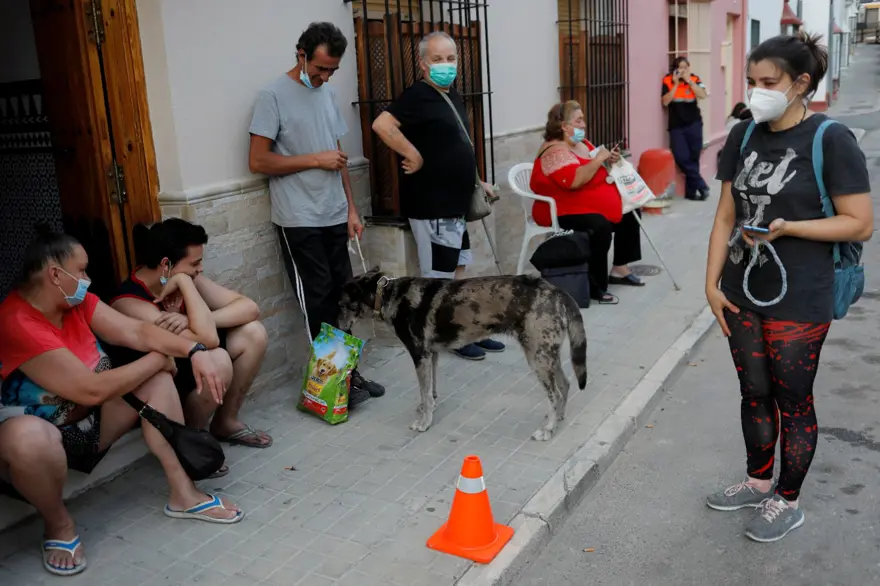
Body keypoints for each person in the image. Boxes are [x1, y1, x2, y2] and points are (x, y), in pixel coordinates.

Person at [706, 31, 872, 543]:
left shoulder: (831, 139)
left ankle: (788, 498)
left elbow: (859, 223)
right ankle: (758, 481)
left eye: (768, 82)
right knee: (753, 391)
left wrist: (789, 227)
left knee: (792, 397)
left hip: (801, 294)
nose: (756, 91)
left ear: (800, 84)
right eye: (751, 81)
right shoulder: (745, 135)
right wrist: (710, 284)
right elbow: (726, 214)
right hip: (741, 288)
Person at [0, 228, 242, 578]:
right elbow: (89, 391)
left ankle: (184, 494)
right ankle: (59, 525)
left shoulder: (77, 301)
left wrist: (194, 351)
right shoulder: (17, 320)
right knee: (30, 438)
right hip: (36, 442)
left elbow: (136, 332)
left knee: (157, 382)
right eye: (81, 271)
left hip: (89, 427)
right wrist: (158, 359)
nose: (87, 279)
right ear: (55, 275)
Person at [248, 22, 384, 404]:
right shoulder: (272, 96)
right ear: (301, 54)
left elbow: (337, 157)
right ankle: (331, 387)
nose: (324, 77)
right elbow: (258, 161)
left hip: (333, 213)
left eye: (331, 71)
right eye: (319, 68)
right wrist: (314, 160)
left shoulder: (325, 93)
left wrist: (352, 208)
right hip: (299, 217)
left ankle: (348, 377)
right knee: (318, 301)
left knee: (343, 298)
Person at [371, 31, 505, 361]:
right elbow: (382, 125)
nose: (445, 65)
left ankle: (466, 328)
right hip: (432, 205)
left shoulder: (451, 95)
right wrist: (412, 154)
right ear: (422, 64)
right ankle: (447, 337)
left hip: (455, 205)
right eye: (437, 59)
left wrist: (479, 182)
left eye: (450, 58)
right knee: (438, 279)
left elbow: (457, 145)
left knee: (458, 271)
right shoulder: (417, 95)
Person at [108, 219, 272, 452]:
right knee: (218, 359)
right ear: (166, 265)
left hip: (190, 366)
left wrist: (190, 317)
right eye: (194, 263)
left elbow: (249, 308)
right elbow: (208, 340)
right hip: (162, 380)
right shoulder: (130, 302)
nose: (200, 269)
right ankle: (193, 441)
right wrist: (185, 283)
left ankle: (224, 422)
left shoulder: (189, 277)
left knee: (253, 332)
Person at [529, 101, 645, 305]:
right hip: (559, 209)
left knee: (629, 213)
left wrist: (609, 159)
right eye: (578, 120)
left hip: (580, 203)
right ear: (563, 125)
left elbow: (596, 168)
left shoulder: (581, 144)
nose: (583, 124)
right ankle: (595, 285)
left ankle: (620, 268)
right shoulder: (554, 151)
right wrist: (599, 159)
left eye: (583, 119)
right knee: (599, 226)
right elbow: (574, 181)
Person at [662, 56, 711, 201]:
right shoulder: (667, 80)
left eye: (685, 67)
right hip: (676, 125)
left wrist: (689, 81)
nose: (683, 70)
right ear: (675, 68)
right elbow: (665, 102)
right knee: (681, 157)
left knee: (694, 156)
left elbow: (702, 95)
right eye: (680, 67)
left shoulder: (695, 79)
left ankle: (691, 193)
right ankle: (702, 185)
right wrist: (676, 84)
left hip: (694, 123)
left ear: (689, 68)